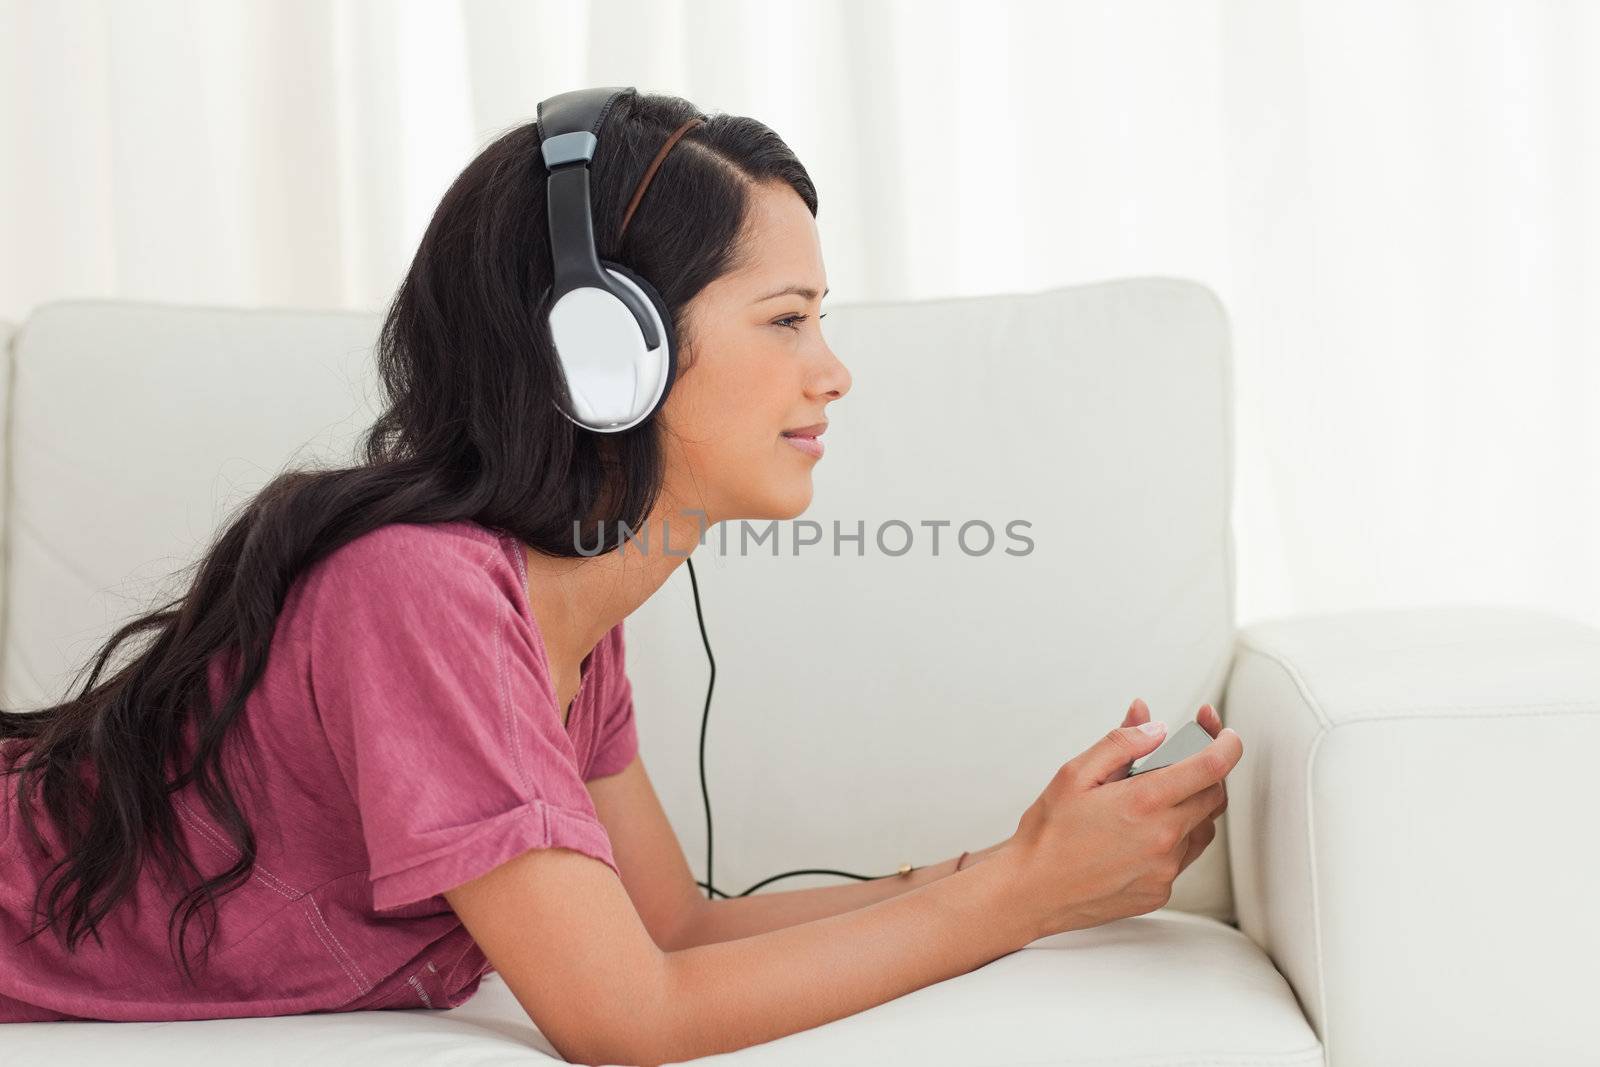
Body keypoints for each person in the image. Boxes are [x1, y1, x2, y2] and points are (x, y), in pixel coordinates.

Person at [0, 88, 1241, 1063]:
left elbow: (672, 928)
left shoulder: (566, 615)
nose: (833, 372)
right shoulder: (420, 595)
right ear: (606, 352)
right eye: (786, 317)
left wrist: (1020, 859)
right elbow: (625, 1018)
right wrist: (1017, 899)